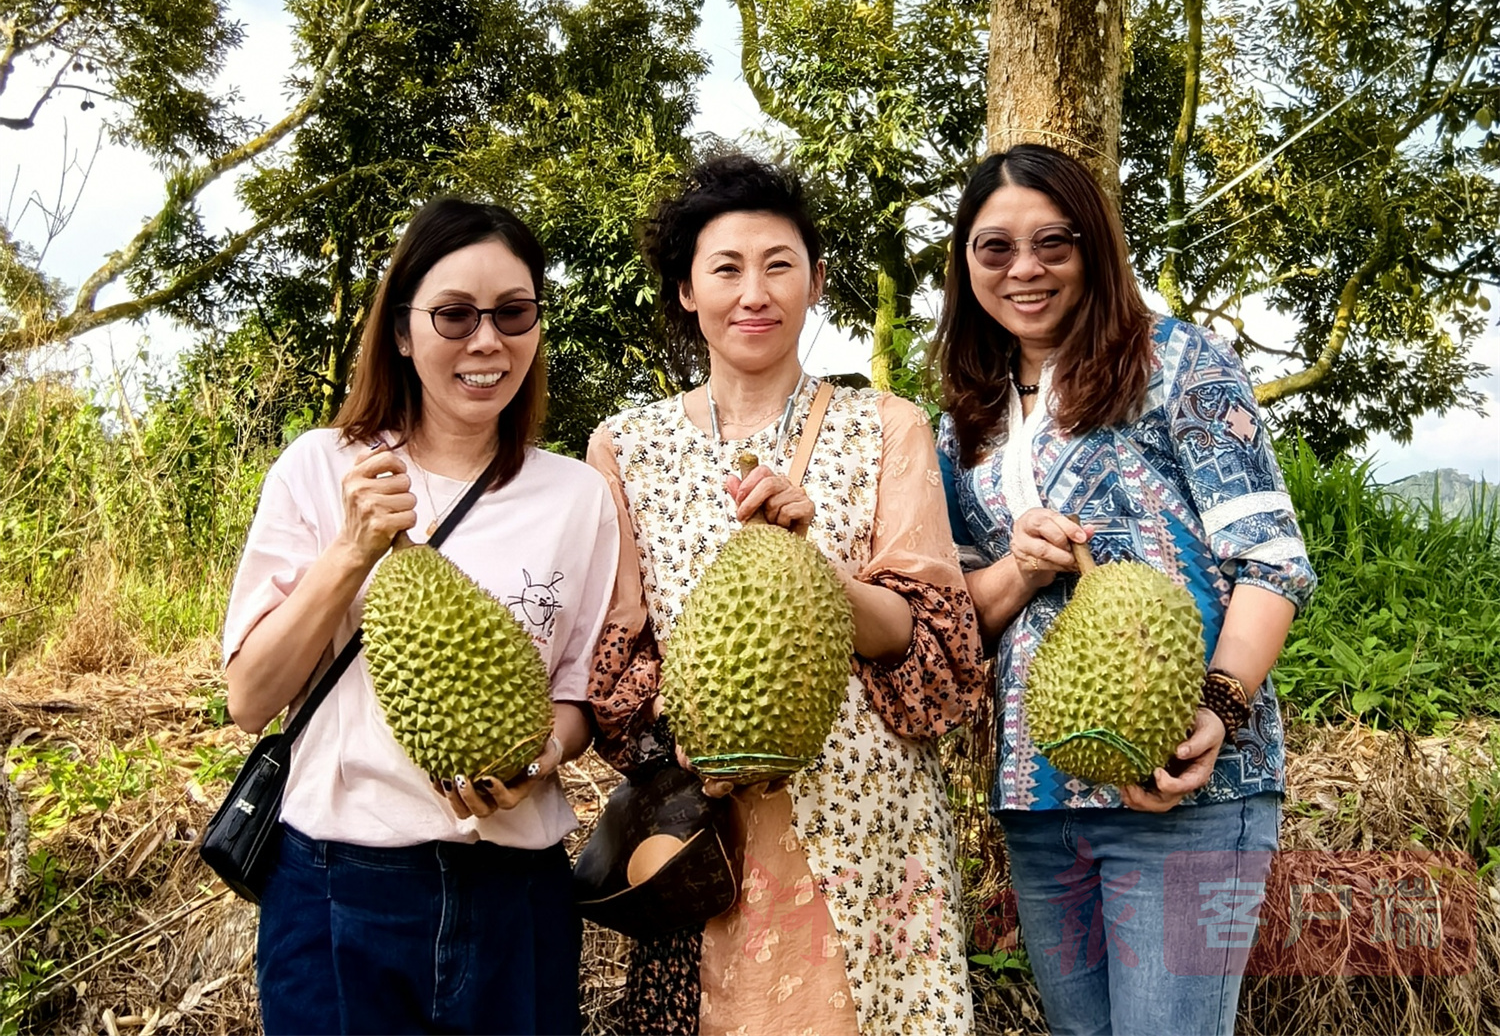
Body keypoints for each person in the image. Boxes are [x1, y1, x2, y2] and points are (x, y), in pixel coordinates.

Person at [587, 154, 988, 1036]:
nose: (754, 292)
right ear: (687, 289)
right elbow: (619, 661)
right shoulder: (626, 447)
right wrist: (694, 731)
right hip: (708, 834)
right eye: (726, 268)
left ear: (816, 280)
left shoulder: (886, 427)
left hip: (866, 819)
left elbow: (931, 643)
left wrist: (818, 571)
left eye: (779, 264)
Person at [933, 143, 1317, 1036]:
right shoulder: (965, 419)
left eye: (1052, 242)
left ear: (1094, 246)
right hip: (1039, 796)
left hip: (1190, 784)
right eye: (996, 248)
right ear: (967, 263)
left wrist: (1220, 705)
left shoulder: (1176, 362)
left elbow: (1270, 560)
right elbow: (959, 616)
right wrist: (1020, 567)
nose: (1025, 269)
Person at [222, 198, 618, 1036]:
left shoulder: (577, 496)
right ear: (402, 330)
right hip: (339, 886)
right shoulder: (319, 467)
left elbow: (578, 693)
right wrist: (351, 550)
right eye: (454, 314)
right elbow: (250, 697)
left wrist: (541, 756)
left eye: (513, 313)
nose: (488, 341)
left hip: (517, 893)